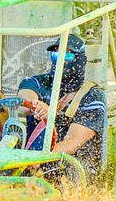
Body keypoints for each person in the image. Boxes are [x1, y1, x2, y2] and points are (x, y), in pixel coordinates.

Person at [17, 34, 107, 181]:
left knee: (70, 175)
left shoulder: (93, 95)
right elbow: (24, 100)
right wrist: (36, 104)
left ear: (80, 61)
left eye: (68, 55)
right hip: (35, 160)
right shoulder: (38, 82)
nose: (61, 59)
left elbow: (72, 142)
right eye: (56, 54)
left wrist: (39, 158)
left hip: (75, 164)